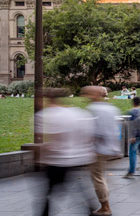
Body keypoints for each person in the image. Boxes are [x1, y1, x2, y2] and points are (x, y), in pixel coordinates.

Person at [34, 88, 96, 216]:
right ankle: (90, 208)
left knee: (49, 192)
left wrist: (41, 157)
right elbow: (89, 136)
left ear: (48, 99)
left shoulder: (47, 114)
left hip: (58, 160)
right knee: (78, 187)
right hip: (79, 158)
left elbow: (50, 140)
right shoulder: (79, 113)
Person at [82, 86, 120, 216]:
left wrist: (91, 147)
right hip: (109, 148)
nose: (86, 96)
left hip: (98, 149)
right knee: (100, 176)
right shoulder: (111, 108)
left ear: (96, 95)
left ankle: (105, 206)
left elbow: (96, 131)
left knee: (97, 177)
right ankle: (105, 198)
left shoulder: (94, 108)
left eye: (88, 93)